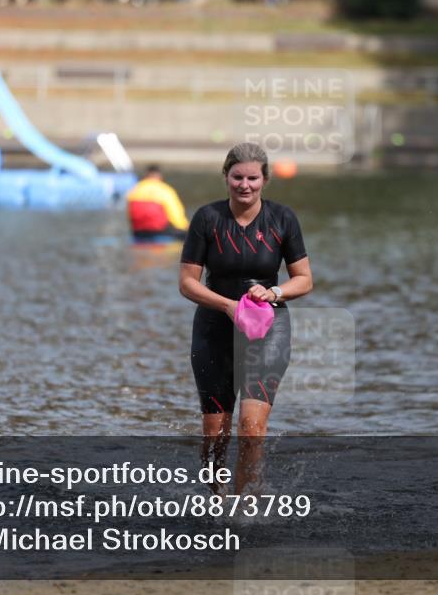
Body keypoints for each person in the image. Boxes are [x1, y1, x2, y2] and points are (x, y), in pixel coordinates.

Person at [178, 143, 313, 495]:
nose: (245, 185)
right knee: (215, 434)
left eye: (253, 178)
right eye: (237, 177)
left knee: (251, 428)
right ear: (226, 177)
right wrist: (226, 305)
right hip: (214, 328)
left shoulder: (283, 219)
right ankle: (214, 504)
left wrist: (274, 293)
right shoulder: (207, 219)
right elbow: (187, 283)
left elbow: (304, 279)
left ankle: (244, 510)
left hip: (268, 328)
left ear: (265, 180)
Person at [126, 165, 189, 241]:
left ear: (146, 175)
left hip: (138, 232)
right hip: (159, 231)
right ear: (159, 176)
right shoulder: (165, 190)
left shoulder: (134, 189)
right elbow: (176, 215)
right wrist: (186, 228)